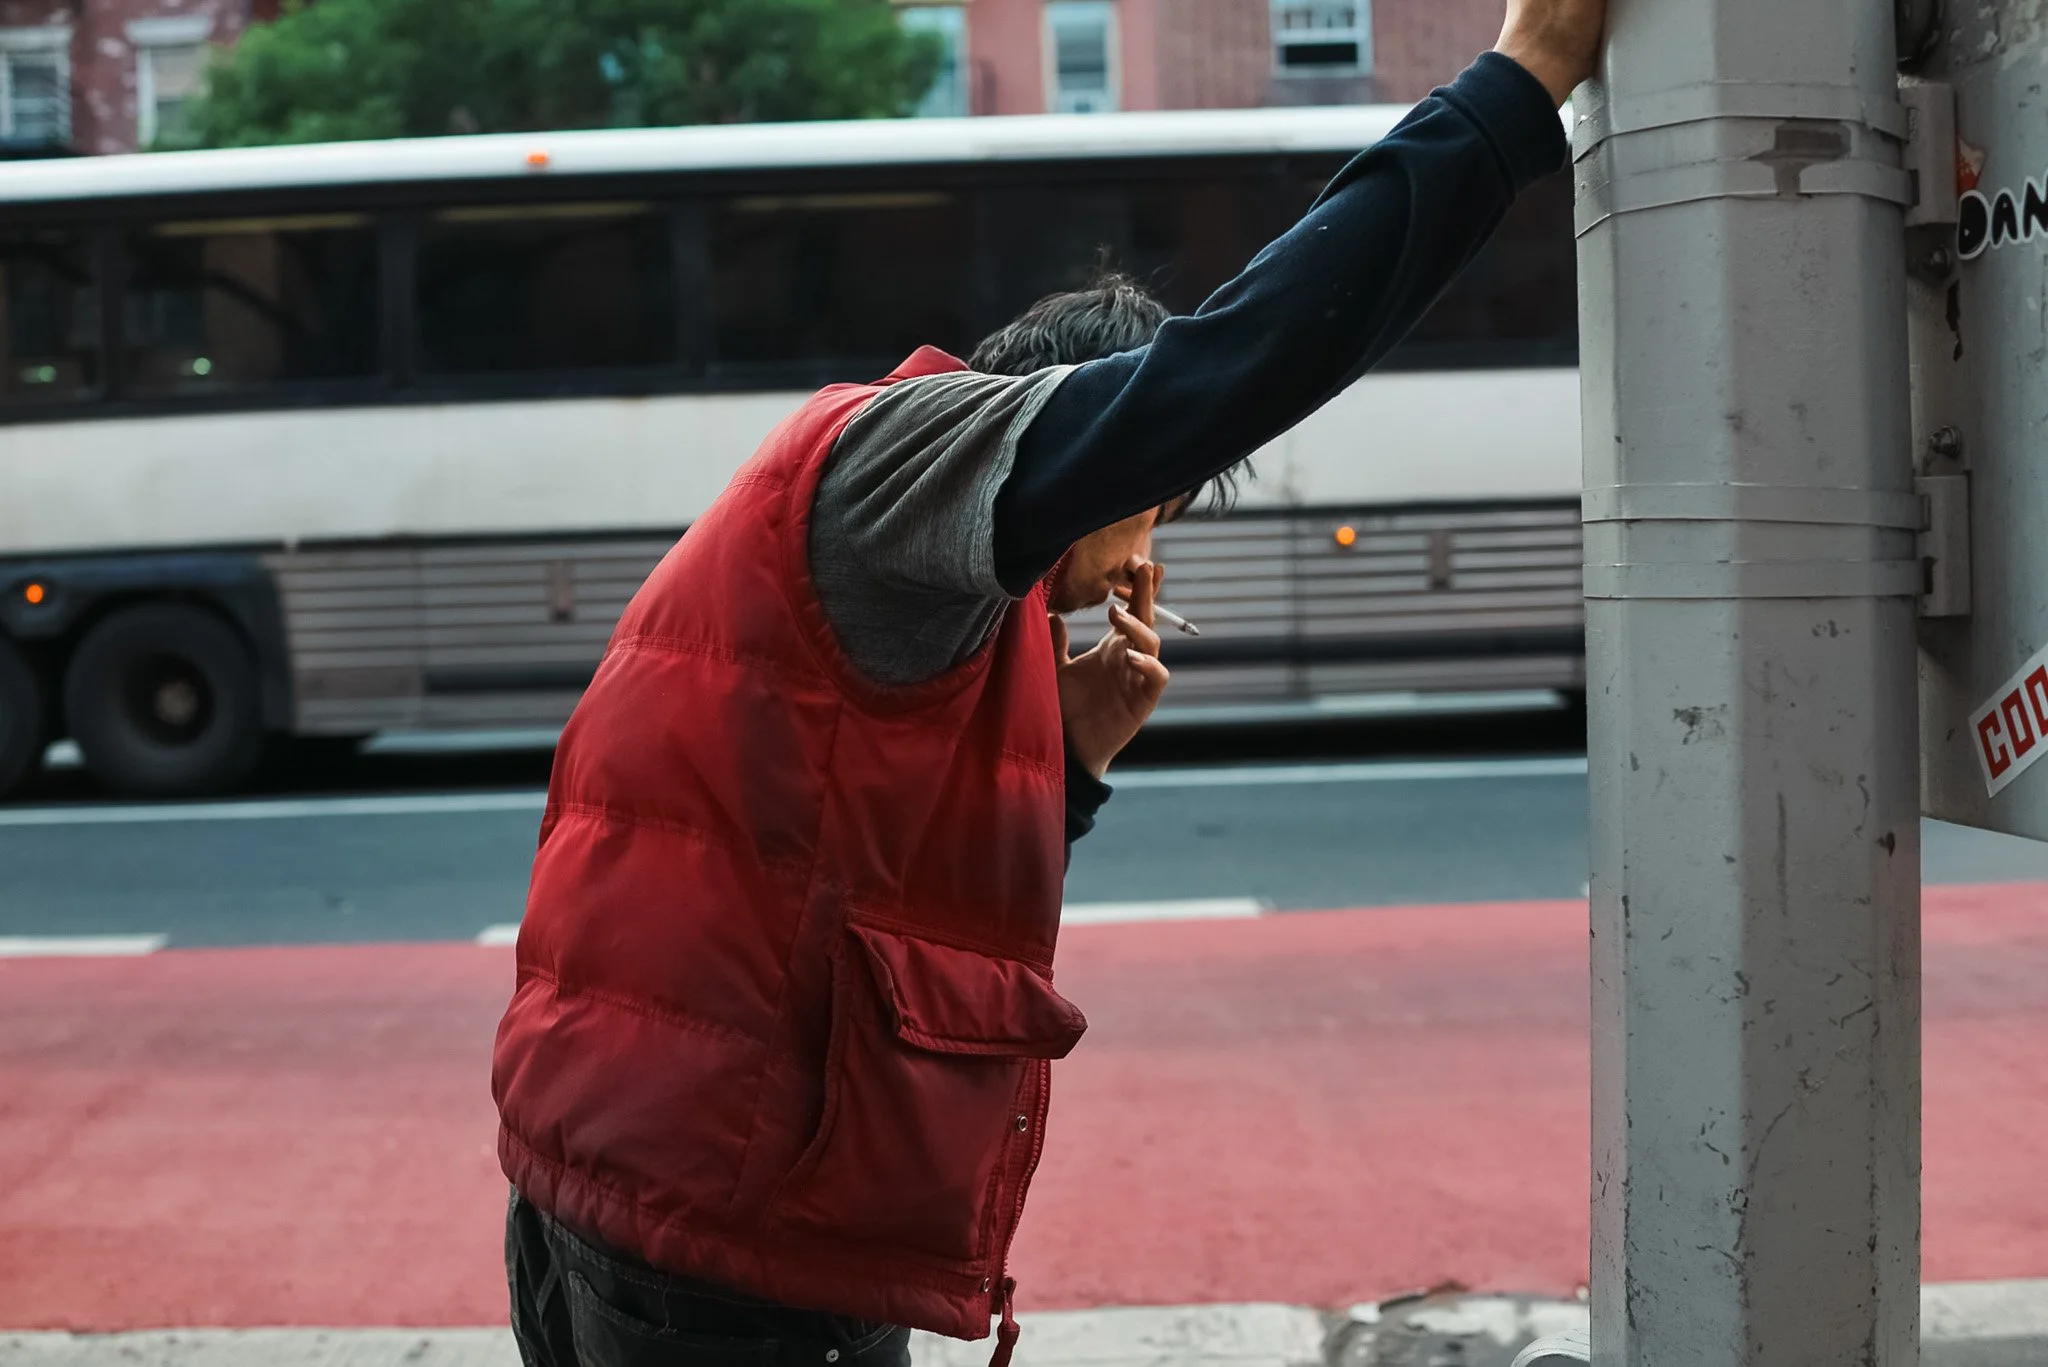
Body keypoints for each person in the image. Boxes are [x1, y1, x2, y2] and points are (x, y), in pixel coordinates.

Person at [495, 1, 1606, 1363]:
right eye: (1153, 506)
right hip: (720, 1226)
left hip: (655, 1180)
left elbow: (895, 893)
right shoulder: (901, 457)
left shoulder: (962, 599)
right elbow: (1242, 361)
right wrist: (1517, 87)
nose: (1142, 563)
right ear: (1086, 441)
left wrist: (1069, 766)